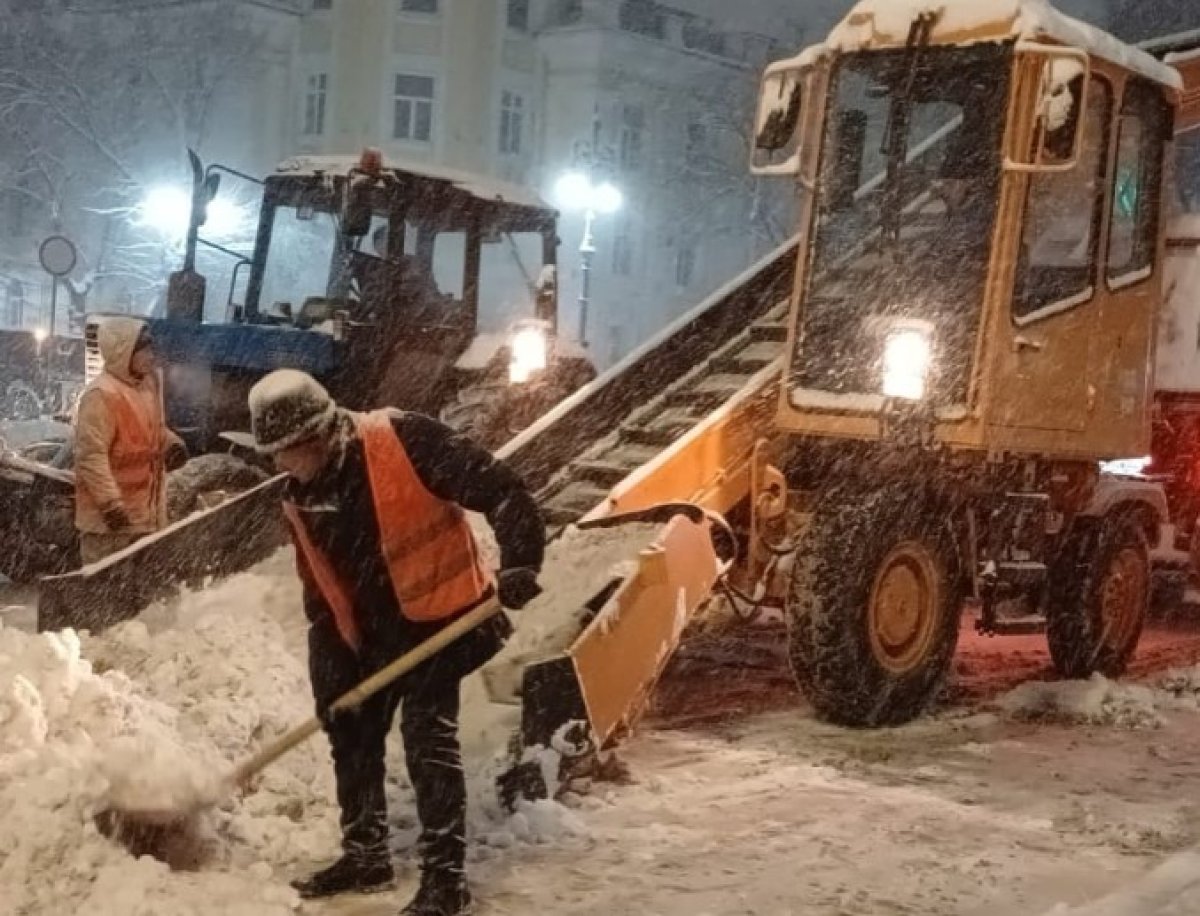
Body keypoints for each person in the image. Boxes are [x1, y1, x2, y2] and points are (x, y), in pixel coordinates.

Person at [247, 369, 544, 916]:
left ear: (320, 435)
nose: (279, 465)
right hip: (371, 632)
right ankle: (366, 855)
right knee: (349, 728)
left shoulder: (405, 441)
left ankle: (446, 879)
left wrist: (522, 559)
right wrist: (331, 652)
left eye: (286, 452)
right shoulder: (299, 490)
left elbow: (501, 489)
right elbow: (320, 577)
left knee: (426, 735)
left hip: (445, 619)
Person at [74, 317, 184, 564]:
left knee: (139, 596)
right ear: (123, 353)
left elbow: (154, 429)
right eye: (144, 350)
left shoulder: (146, 386)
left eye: (150, 349)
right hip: (108, 524)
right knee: (104, 592)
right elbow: (91, 456)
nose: (151, 356)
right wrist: (110, 504)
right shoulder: (100, 395)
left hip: (144, 517)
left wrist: (171, 444)